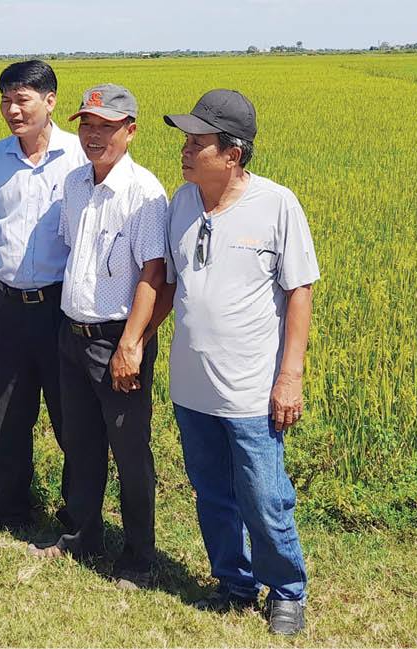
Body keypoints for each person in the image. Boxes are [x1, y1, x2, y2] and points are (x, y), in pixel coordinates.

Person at [161, 89, 319, 634]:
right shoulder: (181, 202)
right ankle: (233, 581)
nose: (184, 151)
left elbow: (300, 290)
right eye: (185, 140)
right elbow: (168, 283)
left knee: (263, 494)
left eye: (197, 142)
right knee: (211, 492)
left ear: (233, 153)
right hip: (192, 386)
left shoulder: (277, 204)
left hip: (252, 390)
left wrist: (290, 377)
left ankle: (287, 591)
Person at [28, 84, 169, 590]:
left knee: (130, 451)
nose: (93, 135)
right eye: (87, 124)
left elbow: (156, 274)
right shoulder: (74, 184)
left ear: (130, 131)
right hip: (73, 331)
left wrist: (132, 344)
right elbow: (75, 253)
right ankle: (84, 535)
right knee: (81, 444)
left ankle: (138, 555)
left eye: (106, 126)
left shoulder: (145, 193)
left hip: (117, 339)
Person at [0, 60, 86, 530]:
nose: (12, 110)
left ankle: (78, 514)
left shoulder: (80, 158)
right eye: (5, 100)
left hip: (61, 308)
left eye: (22, 99)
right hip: (8, 306)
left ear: (50, 102)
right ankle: (11, 509)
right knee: (10, 414)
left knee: (72, 418)